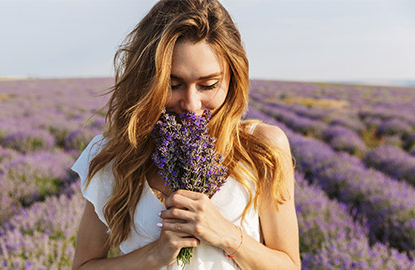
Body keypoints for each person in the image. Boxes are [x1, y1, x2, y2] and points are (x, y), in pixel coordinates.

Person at [71, 0, 300, 269]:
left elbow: (289, 265)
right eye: (173, 84)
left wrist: (226, 235)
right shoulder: (116, 154)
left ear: (233, 79)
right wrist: (154, 254)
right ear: (147, 81)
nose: (191, 104)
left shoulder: (262, 148)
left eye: (208, 85)